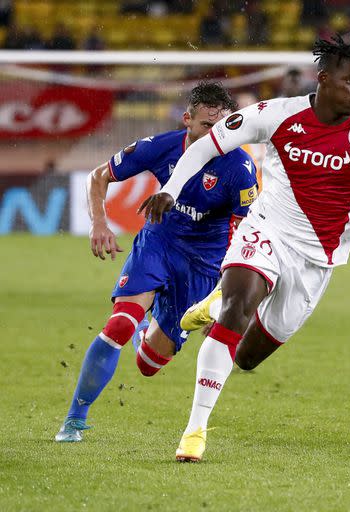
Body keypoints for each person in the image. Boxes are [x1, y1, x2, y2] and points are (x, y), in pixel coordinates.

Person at [138, 33, 350, 462]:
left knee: (247, 357)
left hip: (317, 260)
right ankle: (194, 431)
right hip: (267, 230)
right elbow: (207, 144)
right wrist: (170, 187)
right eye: (349, 81)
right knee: (237, 310)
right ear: (323, 79)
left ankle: (217, 307)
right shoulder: (278, 115)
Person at [54, 82, 257, 442]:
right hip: (159, 243)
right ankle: (74, 419)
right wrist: (99, 223)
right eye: (208, 127)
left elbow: (246, 233)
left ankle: (144, 327)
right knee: (118, 325)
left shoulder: (240, 167)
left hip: (204, 264)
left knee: (149, 365)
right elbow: (99, 175)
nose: (217, 136)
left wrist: (225, 294)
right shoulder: (161, 147)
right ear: (188, 121)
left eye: (224, 128)